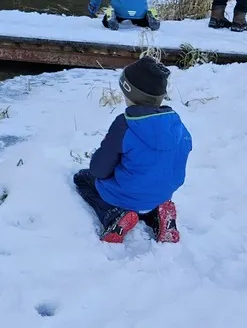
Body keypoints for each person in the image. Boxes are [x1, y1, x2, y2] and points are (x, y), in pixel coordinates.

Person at [72, 56, 191, 243]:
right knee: (145, 187)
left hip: (127, 194)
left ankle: (114, 216)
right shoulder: (177, 125)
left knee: (83, 178)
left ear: (131, 93)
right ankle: (157, 214)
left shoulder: (125, 125)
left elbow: (99, 169)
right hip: (162, 193)